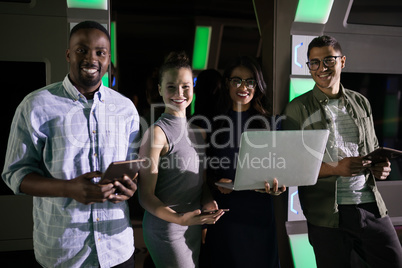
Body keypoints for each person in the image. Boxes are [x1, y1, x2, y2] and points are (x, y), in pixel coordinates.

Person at [2, 21, 140, 268]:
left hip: (117, 249)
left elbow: (131, 167)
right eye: (82, 50)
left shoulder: (125, 108)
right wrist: (68, 188)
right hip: (63, 254)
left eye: (100, 52)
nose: (92, 58)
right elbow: (15, 175)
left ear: (108, 59)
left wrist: (130, 188)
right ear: (68, 54)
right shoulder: (35, 105)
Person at [282, 35, 402, 267]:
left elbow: (373, 148)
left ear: (342, 61)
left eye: (328, 60)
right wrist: (337, 168)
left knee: (394, 260)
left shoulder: (361, 102)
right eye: (314, 63)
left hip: (369, 203)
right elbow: (292, 166)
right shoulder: (297, 108)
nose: (321, 68)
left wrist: (381, 167)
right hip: (326, 213)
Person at [138, 51, 226, 268]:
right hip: (166, 228)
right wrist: (179, 219)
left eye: (186, 86)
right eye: (171, 87)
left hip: (193, 224)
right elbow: (145, 196)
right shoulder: (156, 133)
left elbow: (199, 181)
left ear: (193, 88)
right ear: (160, 89)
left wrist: (207, 201)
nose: (179, 93)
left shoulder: (198, 132)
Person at [204, 55, 285, 268]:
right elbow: (201, 170)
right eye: (236, 80)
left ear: (257, 86)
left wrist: (278, 186)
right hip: (224, 212)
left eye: (250, 81)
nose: (243, 87)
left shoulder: (270, 123)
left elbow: (281, 169)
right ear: (227, 83)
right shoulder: (212, 121)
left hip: (259, 213)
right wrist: (215, 183)